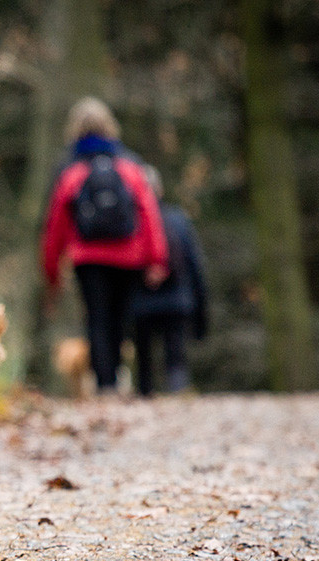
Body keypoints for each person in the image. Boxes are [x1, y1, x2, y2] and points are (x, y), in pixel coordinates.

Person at [41, 97, 169, 392]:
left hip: (88, 258)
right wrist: (156, 259)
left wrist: (51, 270)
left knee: (96, 318)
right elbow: (149, 214)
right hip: (129, 256)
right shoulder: (129, 167)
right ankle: (119, 375)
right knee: (120, 319)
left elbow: (55, 225)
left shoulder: (70, 171)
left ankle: (105, 382)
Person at [130, 166, 209, 395]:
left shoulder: (128, 222)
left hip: (139, 301)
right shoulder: (178, 219)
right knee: (175, 354)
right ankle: (178, 391)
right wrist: (199, 311)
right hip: (176, 299)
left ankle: (145, 397)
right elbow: (195, 266)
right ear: (160, 189)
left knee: (143, 355)